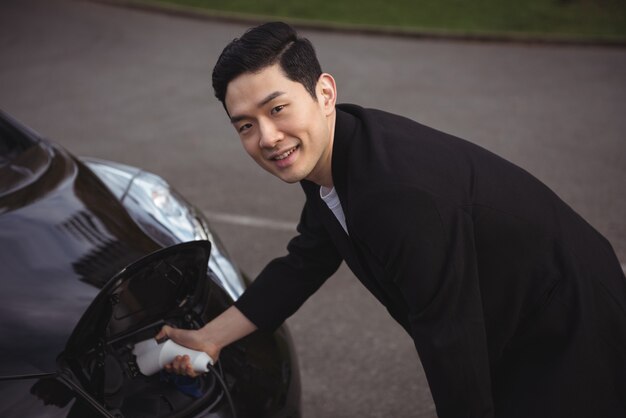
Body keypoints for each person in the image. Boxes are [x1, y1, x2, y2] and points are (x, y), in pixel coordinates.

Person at [156, 22, 626, 417]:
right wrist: (209, 338)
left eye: (277, 109)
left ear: (324, 92)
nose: (268, 137)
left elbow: (449, 340)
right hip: (515, 315)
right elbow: (308, 259)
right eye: (245, 125)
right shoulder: (333, 153)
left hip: (570, 322)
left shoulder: (397, 196)